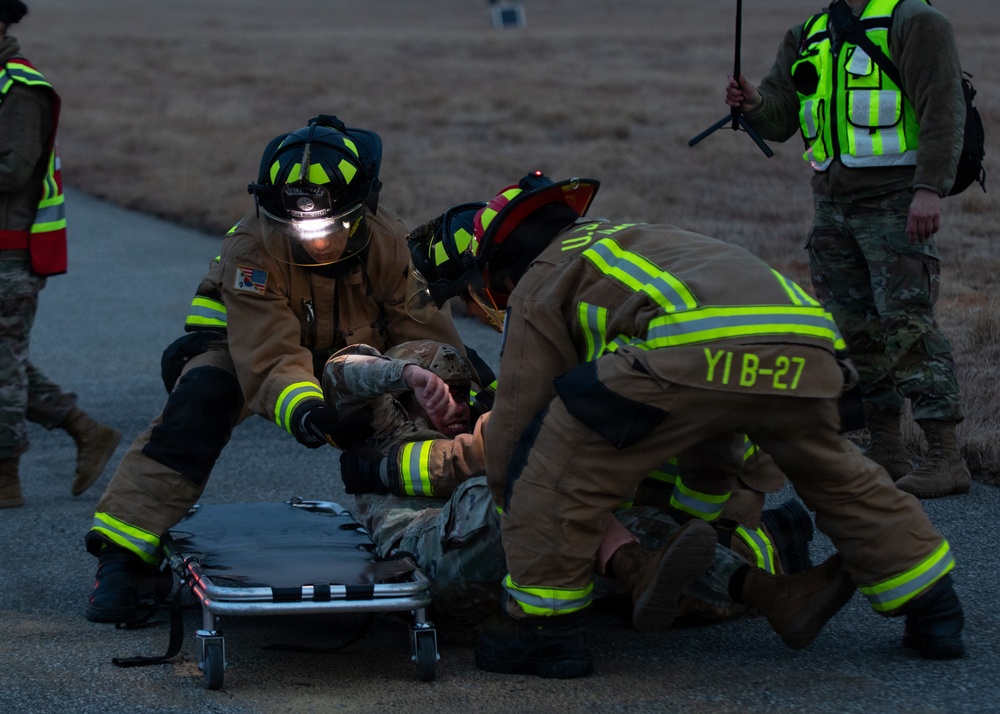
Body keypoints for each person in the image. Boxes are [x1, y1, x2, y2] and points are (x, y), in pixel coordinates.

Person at [408, 171, 966, 678]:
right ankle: (933, 608)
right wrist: (691, 519)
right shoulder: (633, 238)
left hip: (696, 352)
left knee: (550, 464)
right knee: (838, 473)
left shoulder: (542, 277)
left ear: (500, 266)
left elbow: (516, 432)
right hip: (808, 341)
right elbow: (713, 429)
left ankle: (545, 632)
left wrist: (515, 497)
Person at [83, 115, 471, 623]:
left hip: (351, 352)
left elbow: (423, 332)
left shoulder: (386, 240)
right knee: (198, 405)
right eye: (297, 223)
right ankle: (122, 557)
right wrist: (310, 413)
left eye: (330, 224)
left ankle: (447, 540)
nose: (314, 237)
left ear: (359, 206)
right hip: (240, 348)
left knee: (431, 402)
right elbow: (268, 354)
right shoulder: (253, 246)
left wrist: (446, 392)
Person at [326, 338, 835, 644]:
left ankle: (770, 595)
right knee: (522, 485)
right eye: (438, 391)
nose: (452, 404)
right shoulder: (383, 433)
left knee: (648, 530)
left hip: (516, 563)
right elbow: (339, 373)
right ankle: (640, 569)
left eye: (460, 392)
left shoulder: (480, 424)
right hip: (433, 558)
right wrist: (409, 375)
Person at [724, 0, 970, 499]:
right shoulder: (806, 33)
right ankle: (886, 447)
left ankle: (947, 457)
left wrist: (929, 189)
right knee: (853, 330)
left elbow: (942, 107)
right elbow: (781, 118)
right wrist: (753, 103)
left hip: (896, 200)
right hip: (831, 205)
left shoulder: (918, 22)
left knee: (908, 326)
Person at [0, 0, 121, 509]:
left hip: (10, 253)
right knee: (5, 359)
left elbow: (13, 171)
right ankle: (83, 428)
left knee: (1, 365)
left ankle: (6, 478)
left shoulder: (21, 88)